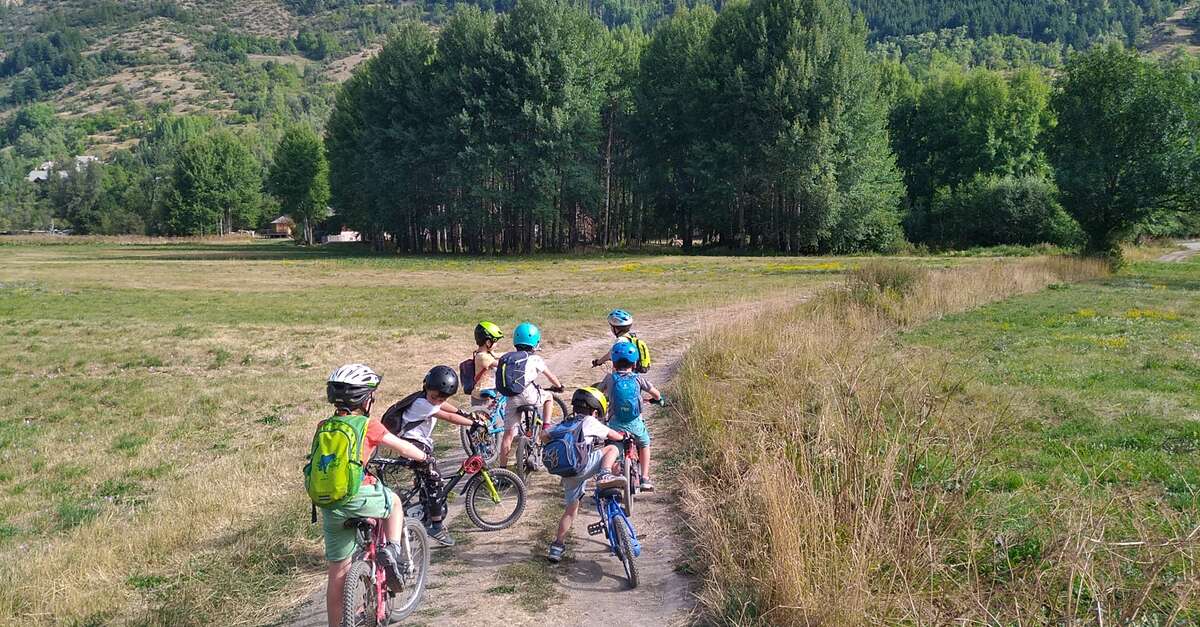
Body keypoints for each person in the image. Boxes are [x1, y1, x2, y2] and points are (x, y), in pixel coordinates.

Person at [316, 364, 431, 627]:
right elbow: (402, 446)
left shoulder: (325, 425)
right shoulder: (368, 425)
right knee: (393, 503)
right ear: (366, 399)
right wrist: (424, 457)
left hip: (330, 503)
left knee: (338, 571)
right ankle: (391, 549)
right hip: (358, 494)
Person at [388, 365, 481, 546]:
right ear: (426, 387)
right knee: (435, 479)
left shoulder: (427, 399)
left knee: (426, 480)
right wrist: (472, 423)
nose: (438, 401)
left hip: (417, 444)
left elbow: (444, 406)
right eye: (435, 397)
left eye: (442, 398)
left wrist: (464, 412)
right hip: (411, 445)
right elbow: (449, 417)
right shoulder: (422, 404)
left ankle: (425, 511)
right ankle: (437, 526)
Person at [541, 387, 631, 563]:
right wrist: (623, 436)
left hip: (569, 473)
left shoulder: (565, 423)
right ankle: (605, 475)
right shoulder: (590, 421)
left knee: (570, 510)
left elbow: (544, 434)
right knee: (611, 449)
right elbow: (613, 435)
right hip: (584, 466)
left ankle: (557, 547)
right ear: (595, 411)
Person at [495, 321, 564, 469]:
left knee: (508, 434)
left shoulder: (509, 358)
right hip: (529, 395)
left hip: (511, 397)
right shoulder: (535, 359)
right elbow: (550, 376)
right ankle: (546, 427)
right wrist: (559, 386)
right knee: (548, 398)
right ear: (535, 342)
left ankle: (503, 469)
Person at [596, 342, 661, 491]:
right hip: (635, 425)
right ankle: (644, 478)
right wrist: (657, 400)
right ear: (635, 363)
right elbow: (656, 394)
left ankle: (612, 478)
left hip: (615, 425)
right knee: (644, 444)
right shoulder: (638, 379)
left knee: (614, 448)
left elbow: (598, 395)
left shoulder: (609, 378)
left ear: (614, 362)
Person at [469, 321, 504, 412]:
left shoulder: (485, 353)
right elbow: (499, 364)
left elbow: (498, 355)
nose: (497, 344)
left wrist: (513, 354)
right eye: (496, 341)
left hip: (489, 390)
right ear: (488, 342)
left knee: (492, 415)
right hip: (482, 395)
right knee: (482, 420)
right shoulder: (483, 357)